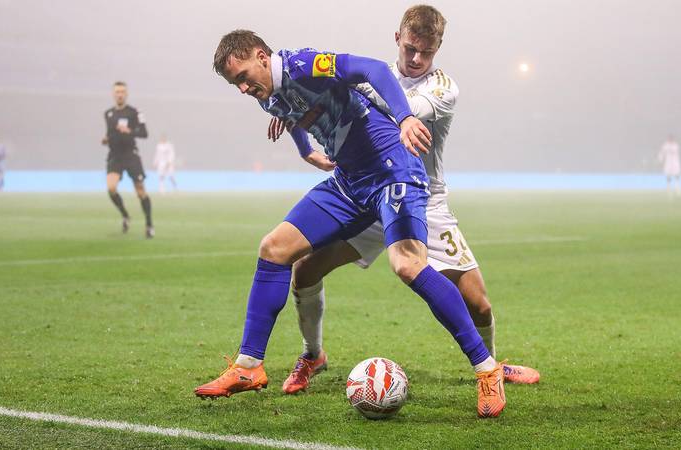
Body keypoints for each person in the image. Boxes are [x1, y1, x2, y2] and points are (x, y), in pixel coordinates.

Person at [194, 30, 506, 418]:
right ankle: (248, 366)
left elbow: (372, 69)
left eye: (242, 76)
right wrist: (307, 150)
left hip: (393, 170)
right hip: (351, 180)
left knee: (407, 265)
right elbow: (294, 113)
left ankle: (487, 369)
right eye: (234, 84)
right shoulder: (266, 93)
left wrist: (405, 117)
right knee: (274, 248)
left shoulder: (301, 65)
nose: (242, 88)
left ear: (261, 56)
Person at [267, 5, 540, 396]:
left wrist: (312, 104)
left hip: (422, 201)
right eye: (410, 48)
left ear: (438, 48)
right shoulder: (376, 73)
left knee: (478, 303)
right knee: (305, 270)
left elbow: (401, 110)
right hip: (371, 195)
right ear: (398, 38)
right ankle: (313, 355)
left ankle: (492, 366)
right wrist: (295, 103)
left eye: (426, 52)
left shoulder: (442, 88)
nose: (416, 59)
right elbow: (331, 95)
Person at [101, 81, 154, 238]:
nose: (120, 94)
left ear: (126, 94)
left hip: (131, 155)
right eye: (117, 92)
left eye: (122, 92)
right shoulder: (108, 114)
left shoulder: (134, 112)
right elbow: (110, 134)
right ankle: (125, 215)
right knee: (111, 188)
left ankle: (149, 224)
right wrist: (106, 139)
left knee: (140, 190)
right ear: (113, 94)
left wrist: (129, 130)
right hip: (115, 155)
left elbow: (144, 133)